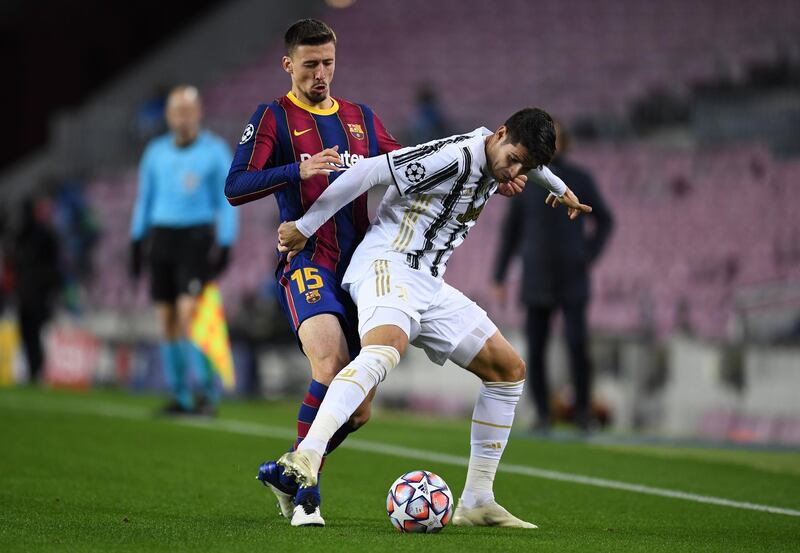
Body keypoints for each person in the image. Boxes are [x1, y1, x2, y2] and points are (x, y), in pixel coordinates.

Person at [276, 108, 592, 529]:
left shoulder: (498, 159)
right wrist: (306, 225)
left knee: (508, 370)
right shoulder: (452, 157)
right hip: (388, 263)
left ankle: (478, 501)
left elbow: (527, 166)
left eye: (525, 166)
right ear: (499, 134)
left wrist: (560, 187)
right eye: (513, 158)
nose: (514, 172)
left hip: (428, 281)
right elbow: (366, 174)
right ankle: (307, 457)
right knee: (385, 350)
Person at [224, 19, 401, 527]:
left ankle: (291, 468)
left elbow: (409, 168)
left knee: (361, 410)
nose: (321, 73)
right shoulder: (274, 117)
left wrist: (489, 176)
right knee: (330, 363)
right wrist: (296, 170)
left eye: (327, 63)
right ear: (288, 65)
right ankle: (308, 496)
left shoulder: (361, 118)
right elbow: (236, 186)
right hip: (306, 261)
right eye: (310, 65)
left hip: (359, 270)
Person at [493, 122, 614, 432]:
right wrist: (499, 276)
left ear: (567, 144)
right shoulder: (527, 180)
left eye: (556, 138)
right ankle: (543, 413)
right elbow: (510, 232)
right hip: (536, 276)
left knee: (577, 345)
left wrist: (587, 254)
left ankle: (584, 413)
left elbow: (605, 220)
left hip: (572, 276)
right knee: (536, 347)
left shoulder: (580, 179)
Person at [129, 85, 238, 417]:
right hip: (162, 238)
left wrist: (226, 241)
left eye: (188, 111)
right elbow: (145, 198)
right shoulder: (155, 152)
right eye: (177, 112)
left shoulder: (215, 151)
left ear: (198, 113)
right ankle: (181, 397)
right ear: (168, 115)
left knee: (191, 314)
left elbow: (228, 198)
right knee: (166, 321)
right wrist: (136, 240)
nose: (182, 118)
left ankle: (206, 394)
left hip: (196, 237)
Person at [10, 196, 61, 383]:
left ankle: (36, 368)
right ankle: (34, 368)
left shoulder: (38, 235)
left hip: (36, 292)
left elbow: (54, 265)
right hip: (27, 292)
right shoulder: (21, 235)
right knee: (28, 332)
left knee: (34, 332)